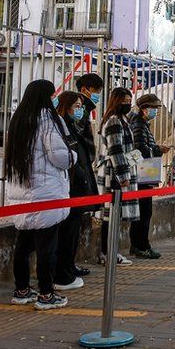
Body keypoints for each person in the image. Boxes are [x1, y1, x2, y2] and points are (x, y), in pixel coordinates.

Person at [6, 80, 75, 310]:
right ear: (46, 96)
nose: (56, 97)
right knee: (47, 248)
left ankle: (22, 289)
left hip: (22, 193)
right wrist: (73, 156)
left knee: (23, 245)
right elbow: (60, 157)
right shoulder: (47, 120)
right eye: (53, 93)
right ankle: (46, 294)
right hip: (46, 194)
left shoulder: (18, 120)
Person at [54, 91, 99, 291]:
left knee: (73, 232)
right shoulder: (60, 126)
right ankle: (62, 272)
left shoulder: (72, 125)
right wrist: (80, 173)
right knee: (66, 232)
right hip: (70, 187)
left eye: (81, 106)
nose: (80, 110)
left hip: (79, 185)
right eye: (77, 106)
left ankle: (69, 266)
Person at [97, 87, 139, 267]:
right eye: (124, 101)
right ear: (116, 101)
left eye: (129, 101)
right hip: (115, 174)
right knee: (111, 216)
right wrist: (123, 175)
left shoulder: (122, 120)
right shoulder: (114, 121)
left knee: (114, 216)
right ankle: (108, 253)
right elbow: (116, 151)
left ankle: (110, 251)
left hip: (120, 171)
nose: (128, 104)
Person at [127, 93, 168, 259]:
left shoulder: (141, 123)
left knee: (143, 212)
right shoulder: (138, 124)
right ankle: (141, 245)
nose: (155, 112)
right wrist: (158, 150)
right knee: (144, 212)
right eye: (153, 108)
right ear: (144, 109)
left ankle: (138, 244)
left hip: (142, 174)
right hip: (142, 174)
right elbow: (140, 149)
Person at [71, 73, 104, 275]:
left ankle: (69, 264)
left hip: (82, 169)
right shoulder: (79, 111)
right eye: (96, 92)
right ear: (85, 90)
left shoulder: (85, 110)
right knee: (70, 226)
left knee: (75, 226)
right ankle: (65, 267)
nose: (97, 96)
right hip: (77, 172)